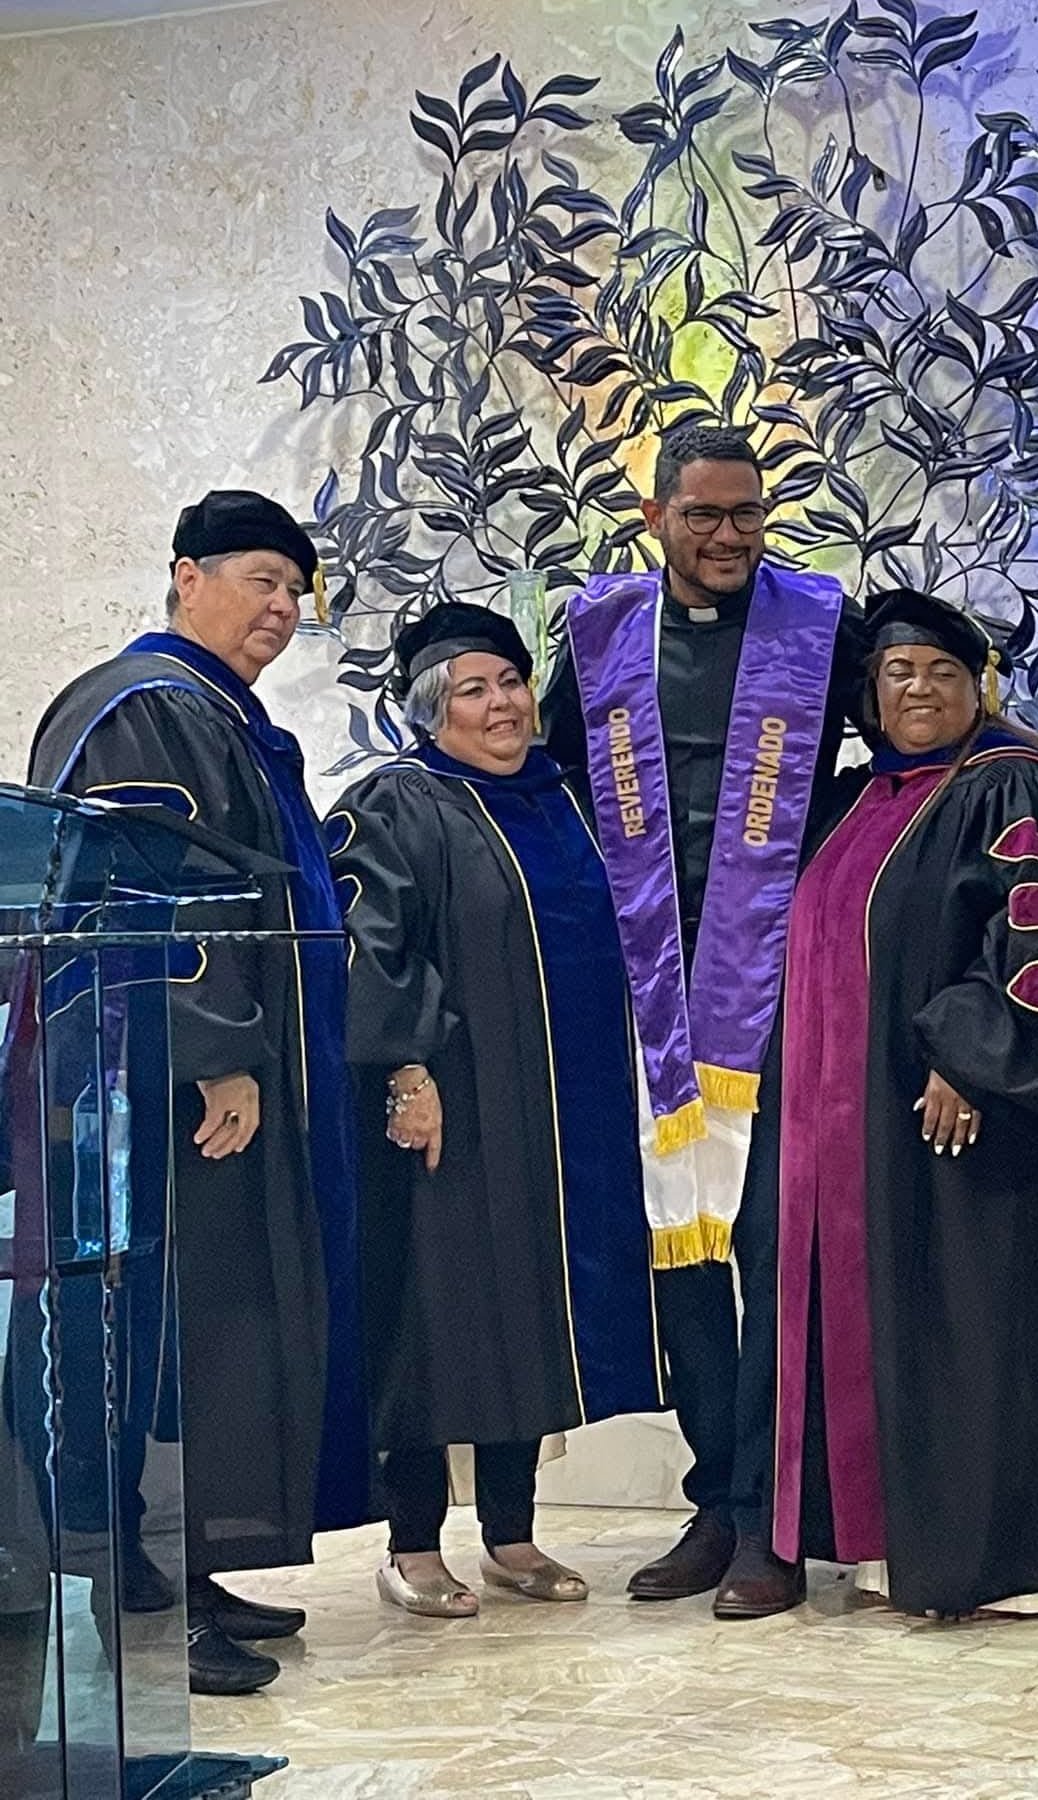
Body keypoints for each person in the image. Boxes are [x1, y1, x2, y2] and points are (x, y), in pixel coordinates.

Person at [28, 489, 370, 1695]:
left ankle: (184, 1569)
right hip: (161, 1088)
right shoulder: (146, 707)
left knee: (215, 1329)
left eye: (295, 590)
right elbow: (146, 893)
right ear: (187, 577)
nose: (281, 607)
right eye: (260, 579)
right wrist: (217, 1047)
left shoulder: (212, 708)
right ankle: (139, 1595)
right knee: (174, 1333)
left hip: (199, 1084)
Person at [771, 587, 1038, 1618]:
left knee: (988, 1325)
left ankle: (1017, 1559)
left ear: (979, 686)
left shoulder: (1014, 785)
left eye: (943, 671)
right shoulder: (863, 798)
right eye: (898, 672)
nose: (919, 689)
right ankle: (902, 1540)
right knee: (909, 1325)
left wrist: (970, 1057)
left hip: (987, 1126)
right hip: (869, 1134)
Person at [542, 424, 869, 1619]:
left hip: (783, 988)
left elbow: (904, 735)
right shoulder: (598, 633)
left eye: (747, 513)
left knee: (775, 1249)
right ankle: (716, 1500)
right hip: (649, 991)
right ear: (656, 519)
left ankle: (776, 1518)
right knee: (682, 1250)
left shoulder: (820, 624)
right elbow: (554, 773)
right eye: (704, 515)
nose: (730, 536)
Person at [327, 602, 664, 1617]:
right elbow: (366, 946)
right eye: (472, 690)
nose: (502, 703)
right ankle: (412, 1543)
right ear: (434, 710)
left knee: (529, 1310)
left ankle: (511, 1536)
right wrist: (405, 1072)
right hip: (452, 1107)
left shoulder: (566, 803)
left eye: (511, 681)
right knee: (434, 1314)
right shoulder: (399, 802)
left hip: (564, 1113)